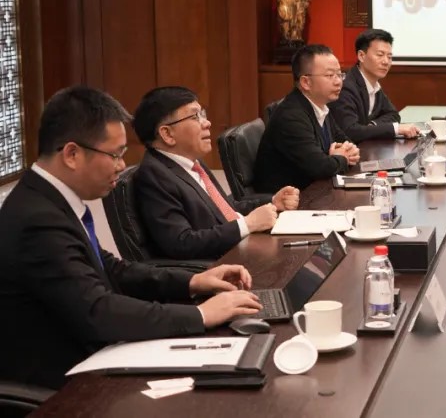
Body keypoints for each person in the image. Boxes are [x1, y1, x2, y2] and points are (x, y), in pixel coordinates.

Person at [0, 86, 262, 390]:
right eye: (115, 155)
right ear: (72, 154)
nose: (122, 166)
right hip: (64, 384)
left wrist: (193, 281)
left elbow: (111, 269)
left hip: (92, 354)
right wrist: (201, 314)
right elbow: (97, 311)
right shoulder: (38, 219)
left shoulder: (51, 200)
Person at [131, 87, 300, 260]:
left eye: (202, 114)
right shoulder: (154, 175)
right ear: (167, 134)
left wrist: (273, 202)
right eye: (195, 117)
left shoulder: (191, 163)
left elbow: (224, 210)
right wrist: (247, 224)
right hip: (224, 263)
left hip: (243, 248)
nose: (207, 123)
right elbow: (182, 243)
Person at [254, 44, 361, 193]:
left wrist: (345, 153)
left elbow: (346, 142)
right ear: (306, 82)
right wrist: (341, 158)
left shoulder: (320, 105)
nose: (338, 82)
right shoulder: (291, 117)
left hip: (316, 191)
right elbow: (320, 167)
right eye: (330, 75)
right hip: (290, 200)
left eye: (340, 74)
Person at [330, 29, 420, 142]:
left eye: (389, 57)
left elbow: (393, 115)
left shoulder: (374, 85)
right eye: (380, 55)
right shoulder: (345, 86)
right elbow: (350, 131)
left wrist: (372, 126)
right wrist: (395, 129)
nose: (386, 61)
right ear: (361, 56)